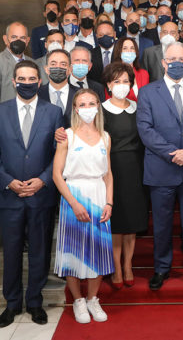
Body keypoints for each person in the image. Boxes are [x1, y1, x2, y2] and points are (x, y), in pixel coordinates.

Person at [0, 60, 63, 328]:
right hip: (9, 196)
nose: (27, 83)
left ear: (39, 81)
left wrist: (43, 180)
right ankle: (11, 304)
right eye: (21, 79)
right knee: (11, 251)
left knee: (39, 251)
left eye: (32, 79)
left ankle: (34, 302)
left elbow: (59, 153)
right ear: (13, 82)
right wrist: (8, 181)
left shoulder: (53, 112)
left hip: (40, 195)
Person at [137, 42, 183, 291]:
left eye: (182, 59)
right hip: (161, 169)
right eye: (172, 59)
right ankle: (161, 268)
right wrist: (175, 155)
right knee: (162, 225)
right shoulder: (147, 92)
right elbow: (146, 130)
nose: (177, 63)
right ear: (163, 62)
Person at [53, 89, 113, 324]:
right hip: (73, 195)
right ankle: (78, 300)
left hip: (99, 195)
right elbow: (57, 175)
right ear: (75, 109)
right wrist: (74, 203)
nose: (87, 108)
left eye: (91, 103)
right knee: (73, 251)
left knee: (98, 250)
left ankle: (92, 299)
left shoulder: (105, 137)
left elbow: (108, 174)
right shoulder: (67, 136)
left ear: (98, 106)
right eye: (82, 104)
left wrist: (109, 202)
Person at [102, 63, 148, 288]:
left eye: (126, 81)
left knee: (132, 221)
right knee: (117, 222)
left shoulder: (139, 108)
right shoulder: (100, 109)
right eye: (116, 81)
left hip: (136, 169)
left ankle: (128, 265)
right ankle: (116, 268)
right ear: (109, 85)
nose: (121, 85)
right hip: (111, 170)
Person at [0, 22, 33, 107]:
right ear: (5, 39)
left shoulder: (33, 63)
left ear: (27, 41)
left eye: (22, 38)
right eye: (14, 37)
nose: (18, 41)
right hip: (5, 114)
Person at [38, 49, 77, 128]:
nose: (58, 67)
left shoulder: (80, 94)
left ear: (70, 69)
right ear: (46, 69)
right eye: (53, 64)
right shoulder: (36, 94)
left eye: (63, 64)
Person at [110, 37, 149, 102]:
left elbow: (147, 97)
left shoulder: (144, 74)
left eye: (132, 48)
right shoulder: (112, 74)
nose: (129, 51)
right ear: (119, 52)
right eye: (125, 48)